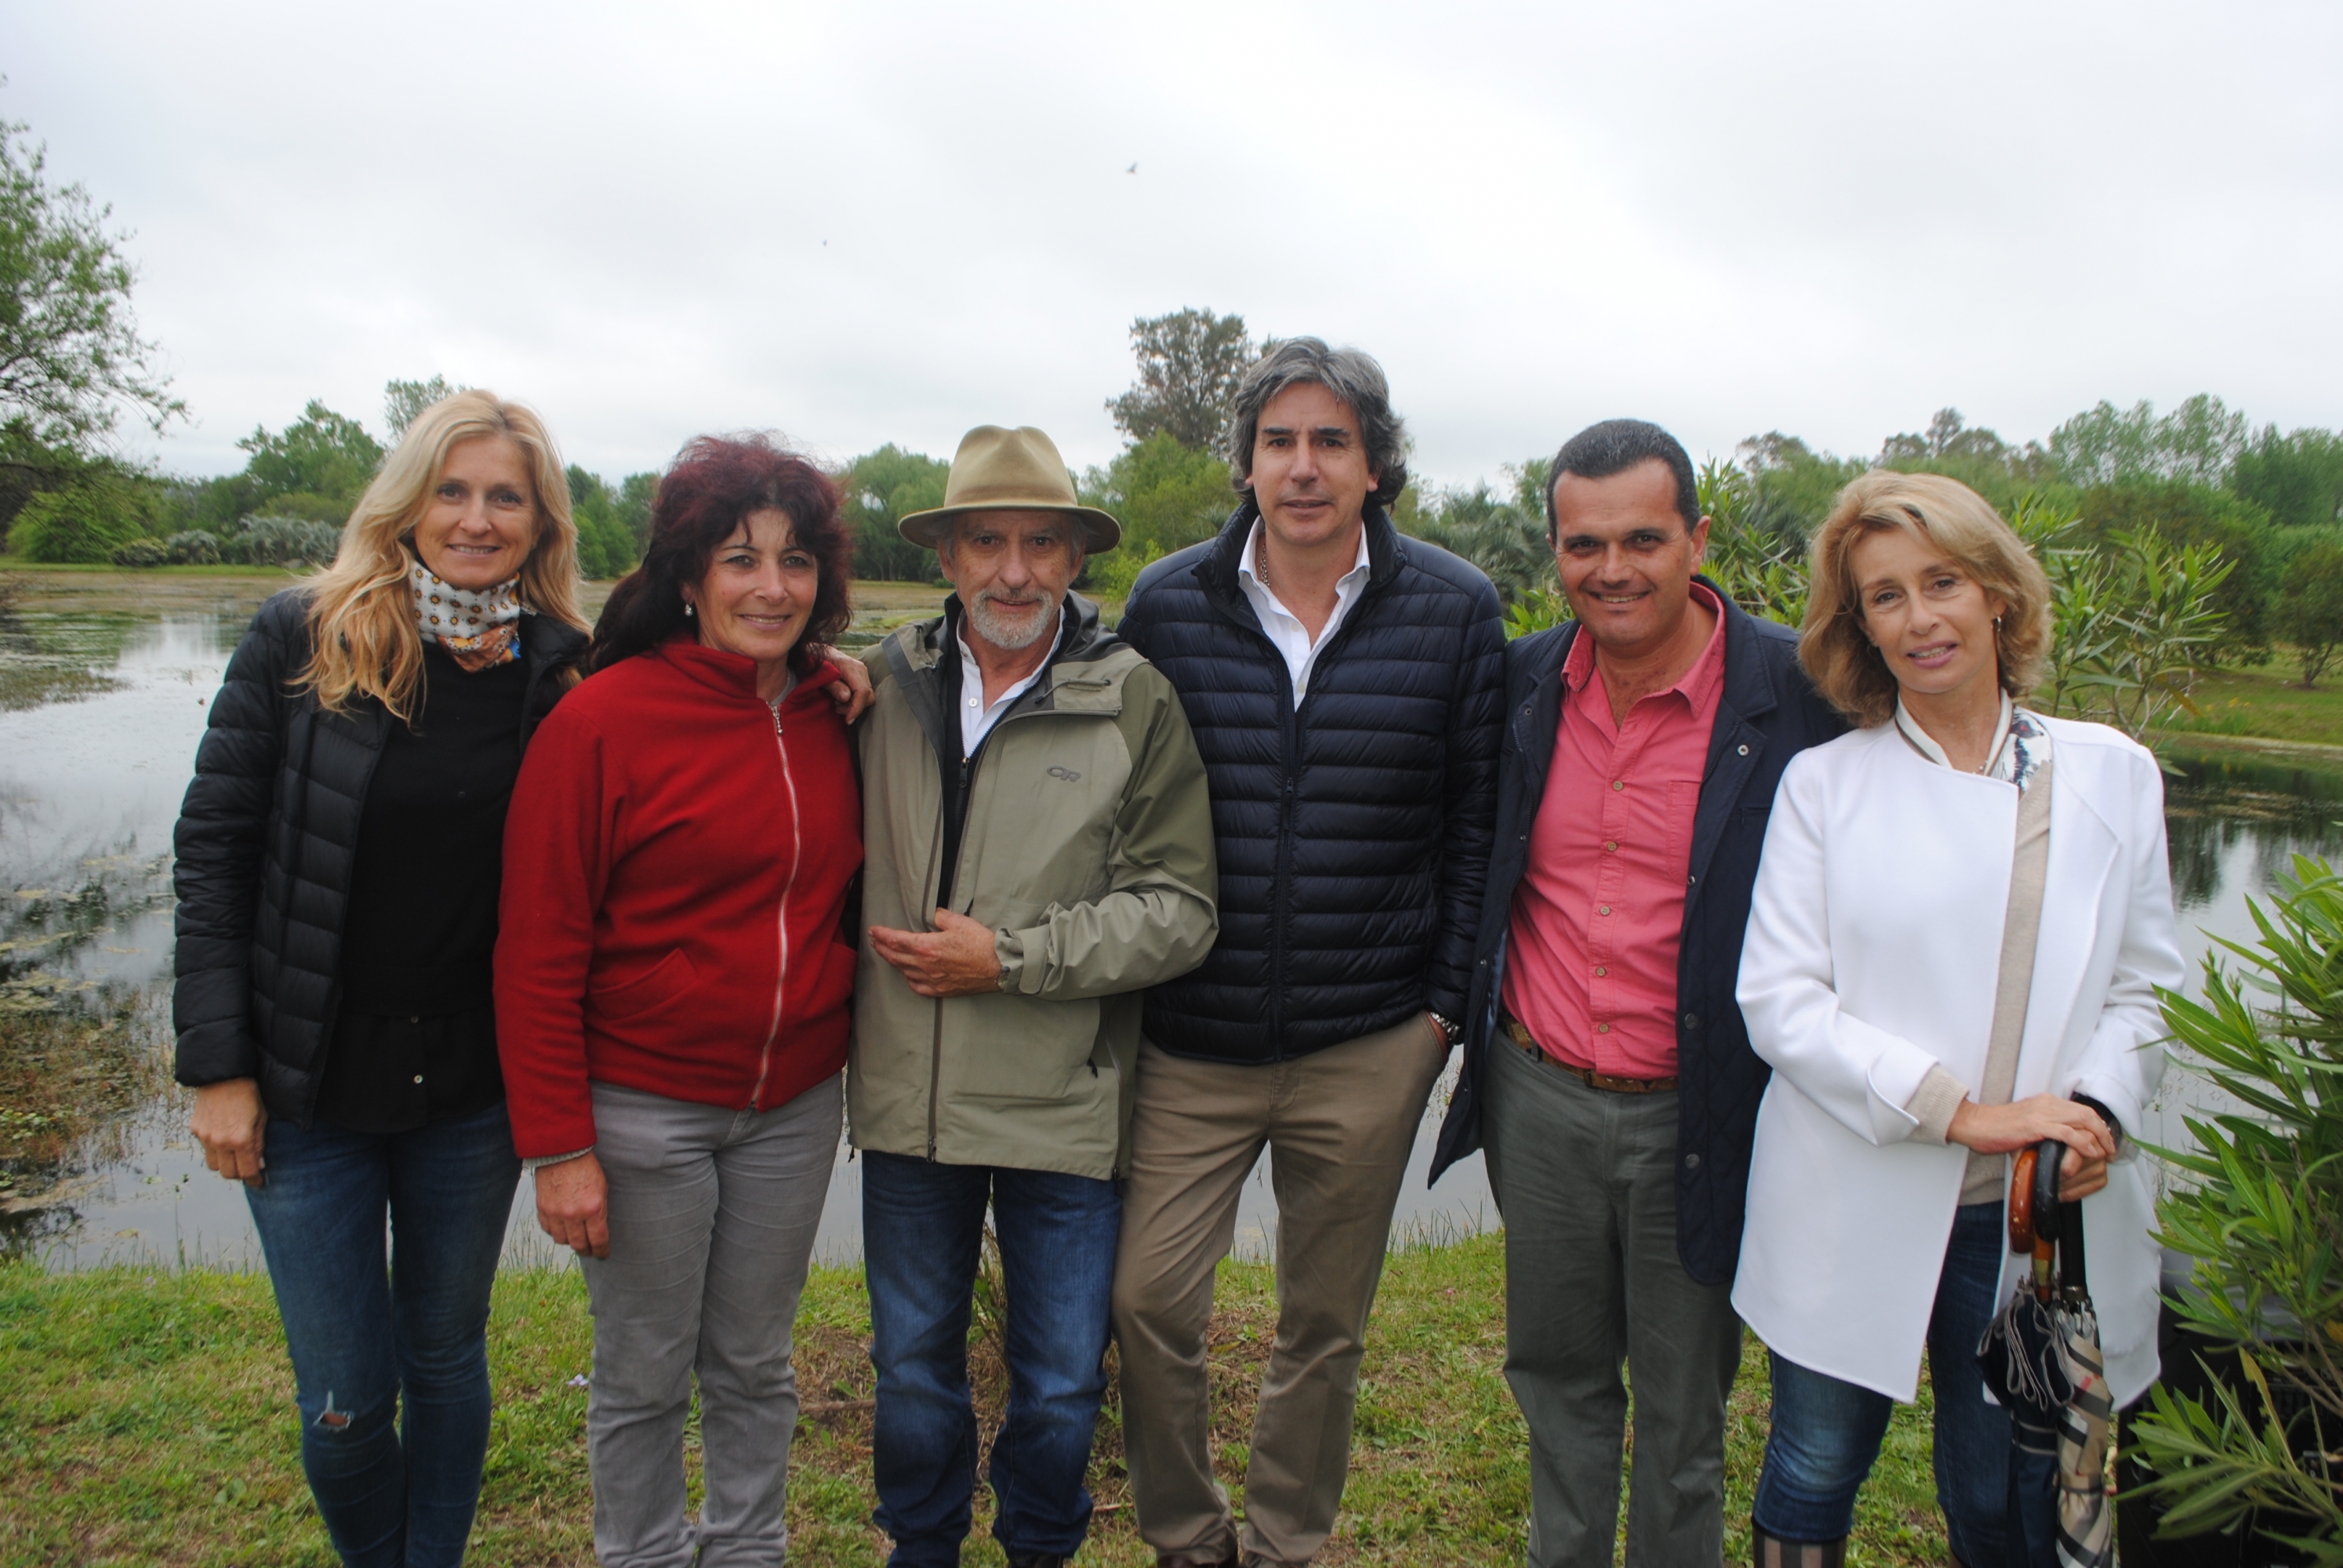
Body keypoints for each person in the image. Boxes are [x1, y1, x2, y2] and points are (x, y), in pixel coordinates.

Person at [172, 390, 593, 1566]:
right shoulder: (302, 637)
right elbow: (214, 851)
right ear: (405, 503)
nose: (475, 517)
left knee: (447, 1360)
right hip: (311, 1087)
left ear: (540, 521)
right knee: (348, 1395)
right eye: (451, 491)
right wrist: (218, 1065)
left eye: (504, 495)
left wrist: (836, 677)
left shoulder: (561, 670)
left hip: (471, 1086)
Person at [1733, 470, 2181, 1566]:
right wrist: (1959, 1111)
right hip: (1857, 1191)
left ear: (1996, 594)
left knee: (2005, 1493)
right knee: (1813, 1466)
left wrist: (2093, 1117)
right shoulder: (1825, 787)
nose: (1919, 616)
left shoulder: (2111, 774)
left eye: (1941, 582)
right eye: (1884, 596)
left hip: (2037, 1215)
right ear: (1860, 629)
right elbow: (1779, 1001)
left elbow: (2148, 983)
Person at [1112, 339, 1504, 1568]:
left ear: (1377, 467)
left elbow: (1476, 825)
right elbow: (1106, 799)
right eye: (1280, 440)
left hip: (1368, 1041)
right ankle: (1186, 1536)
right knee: (1147, 1303)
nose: (1304, 466)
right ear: (1245, 462)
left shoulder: (1453, 607)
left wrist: (1440, 1014)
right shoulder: (1171, 602)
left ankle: (1287, 1539)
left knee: (1323, 1320)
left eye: (1332, 441)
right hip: (1192, 1036)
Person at [1428, 419, 1847, 1567]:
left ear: (1698, 538)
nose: (1611, 569)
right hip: (1541, 1093)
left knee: (1681, 1408)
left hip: (1701, 1107)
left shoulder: (1797, 696)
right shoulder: (1518, 687)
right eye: (1583, 544)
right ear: (1554, 551)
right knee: (1556, 1379)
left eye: (1643, 540)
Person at [849, 424, 1219, 1568]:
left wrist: (1010, 959)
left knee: (1060, 1381)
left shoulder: (1133, 701)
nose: (1015, 570)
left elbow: (1181, 909)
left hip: (1065, 1108)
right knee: (911, 1366)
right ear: (948, 556)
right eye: (989, 541)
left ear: (1073, 559)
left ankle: (1039, 1552)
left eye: (1041, 543)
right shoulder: (872, 686)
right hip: (910, 1103)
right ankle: (922, 1547)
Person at [494, 435, 863, 1568]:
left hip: (794, 1105)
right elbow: (536, 950)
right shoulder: (600, 722)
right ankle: (643, 1552)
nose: (770, 587)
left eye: (794, 562)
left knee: (755, 1361)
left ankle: (749, 1546)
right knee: (645, 1369)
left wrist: (855, 672)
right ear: (689, 577)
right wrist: (559, 1145)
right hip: (643, 1108)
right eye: (739, 560)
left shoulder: (831, 709)